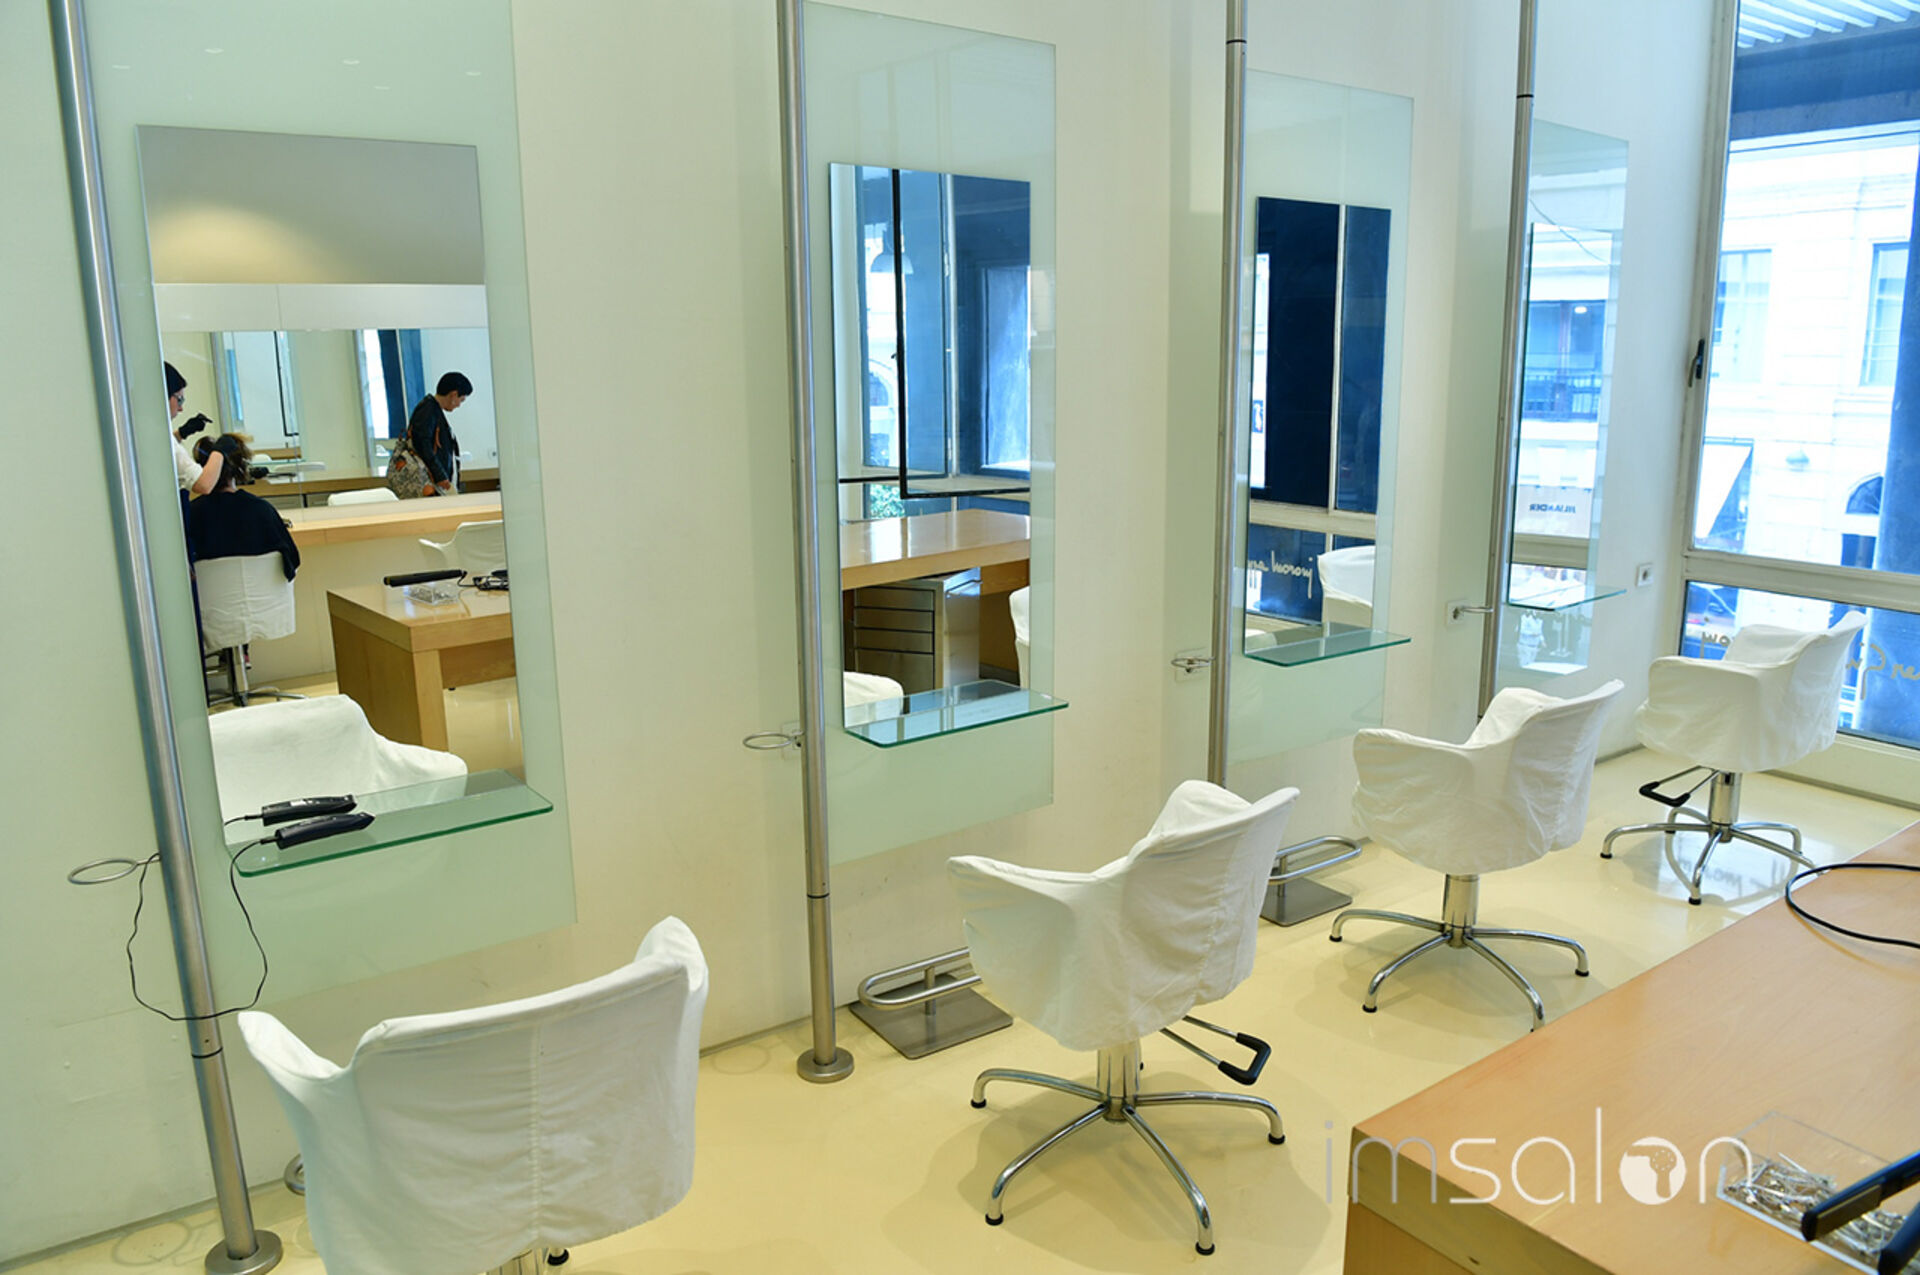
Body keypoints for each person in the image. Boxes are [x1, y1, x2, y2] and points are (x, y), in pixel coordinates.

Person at [184, 433, 299, 582]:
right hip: (265, 595)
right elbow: (292, 562)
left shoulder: (190, 515)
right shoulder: (261, 510)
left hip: (210, 595)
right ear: (240, 467)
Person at [401, 371, 471, 498]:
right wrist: (439, 474)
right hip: (431, 481)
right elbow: (423, 445)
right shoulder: (428, 410)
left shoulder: (432, 409)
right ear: (453, 394)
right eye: (461, 400)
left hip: (435, 480)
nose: (459, 405)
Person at [165, 362, 222, 498]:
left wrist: (181, 433)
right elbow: (203, 484)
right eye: (179, 400)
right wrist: (221, 450)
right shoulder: (162, 439)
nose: (181, 408)